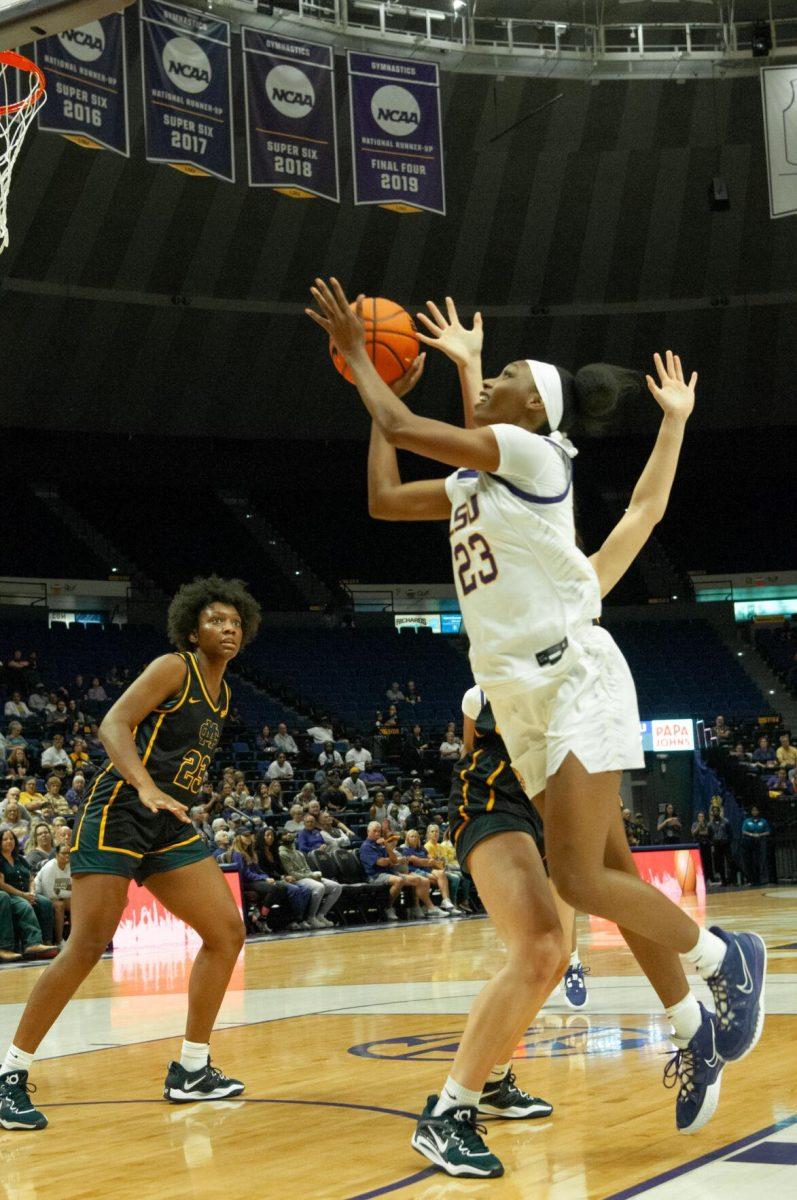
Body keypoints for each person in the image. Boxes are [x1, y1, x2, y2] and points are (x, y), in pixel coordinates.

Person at [307, 281, 765, 1172]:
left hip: (571, 684)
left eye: (509, 372)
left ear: (536, 410)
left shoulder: (536, 455)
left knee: (580, 881)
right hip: (521, 699)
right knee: (603, 873)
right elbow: (385, 494)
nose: (492, 379)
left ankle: (722, 959)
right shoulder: (497, 497)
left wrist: (367, 362)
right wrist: (397, 383)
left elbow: (628, 507)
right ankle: (696, 1022)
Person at [0, 576, 261, 1130]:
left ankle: (191, 1068)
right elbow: (114, 723)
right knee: (88, 942)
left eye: (235, 622)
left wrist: (178, 796)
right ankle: (10, 1073)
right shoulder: (175, 667)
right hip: (118, 809)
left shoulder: (226, 690)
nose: (228, 628)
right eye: (216, 620)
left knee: (226, 932)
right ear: (193, 630)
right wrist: (144, 784)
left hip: (167, 823)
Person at [358, 820, 444, 921]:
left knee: (418, 880)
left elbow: (393, 860)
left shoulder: (381, 845)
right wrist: (391, 861)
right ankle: (388, 907)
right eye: (374, 831)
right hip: (375, 875)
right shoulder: (366, 846)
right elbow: (381, 862)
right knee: (399, 880)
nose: (377, 833)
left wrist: (387, 846)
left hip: (390, 872)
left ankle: (418, 907)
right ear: (368, 832)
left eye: (379, 831)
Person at [0, 830, 57, 949]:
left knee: (46, 903)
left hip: (27, 893)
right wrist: (23, 895)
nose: (9, 841)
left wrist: (31, 892)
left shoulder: (20, 858)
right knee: (25, 906)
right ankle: (32, 943)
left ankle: (47, 941)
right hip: (11, 894)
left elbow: (31, 878)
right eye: (5, 839)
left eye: (11, 839)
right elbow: (2, 884)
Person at [277, 830, 342, 928]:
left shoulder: (298, 852)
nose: (289, 835)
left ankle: (320, 915)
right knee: (319, 887)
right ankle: (311, 917)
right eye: (285, 834)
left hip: (307, 876)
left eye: (289, 833)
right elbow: (292, 873)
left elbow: (307, 869)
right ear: (280, 840)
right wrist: (311, 876)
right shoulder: (282, 853)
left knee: (336, 887)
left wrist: (314, 875)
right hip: (297, 880)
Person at [254, 828, 312, 929]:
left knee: (306, 890)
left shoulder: (274, 850)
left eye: (272, 835)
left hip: (281, 878)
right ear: (261, 837)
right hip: (269, 880)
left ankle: (301, 918)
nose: (270, 837)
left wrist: (286, 876)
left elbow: (280, 867)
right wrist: (281, 877)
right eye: (267, 835)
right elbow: (264, 871)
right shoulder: (258, 853)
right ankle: (294, 920)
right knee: (295, 890)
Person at [399, 829, 461, 914]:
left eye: (416, 836)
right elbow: (417, 861)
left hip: (426, 869)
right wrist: (427, 862)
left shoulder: (422, 848)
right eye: (412, 836)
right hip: (414, 871)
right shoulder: (404, 848)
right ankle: (429, 907)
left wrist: (426, 862)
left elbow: (431, 860)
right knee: (440, 880)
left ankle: (446, 901)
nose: (414, 838)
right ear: (407, 838)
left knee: (441, 873)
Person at [426, 823, 476, 913]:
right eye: (432, 831)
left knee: (465, 877)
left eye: (437, 831)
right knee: (455, 878)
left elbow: (444, 862)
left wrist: (441, 864)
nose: (435, 833)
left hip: (443, 869)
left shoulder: (440, 847)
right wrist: (440, 864)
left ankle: (461, 902)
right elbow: (432, 863)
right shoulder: (427, 846)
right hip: (434, 871)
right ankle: (452, 903)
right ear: (428, 834)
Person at [34, 845, 72, 945]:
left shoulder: (70, 866)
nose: (67, 855)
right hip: (40, 895)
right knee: (59, 906)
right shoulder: (50, 867)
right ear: (56, 855)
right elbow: (49, 893)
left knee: (76, 904)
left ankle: (74, 939)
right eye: (64, 853)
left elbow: (73, 889)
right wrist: (65, 891)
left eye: (69, 853)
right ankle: (59, 941)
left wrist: (61, 891)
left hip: (59, 895)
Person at [741, 807, 771, 887]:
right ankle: (751, 880)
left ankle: (761, 879)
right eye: (753, 810)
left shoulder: (763, 821)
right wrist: (752, 835)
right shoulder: (747, 821)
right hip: (749, 843)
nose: (755, 812)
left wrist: (760, 835)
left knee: (760, 861)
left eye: (756, 810)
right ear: (751, 812)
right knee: (750, 862)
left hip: (760, 843)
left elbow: (768, 832)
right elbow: (743, 831)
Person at [708, 804, 733, 886]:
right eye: (714, 811)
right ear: (712, 813)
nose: (715, 812)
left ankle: (730, 880)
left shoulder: (726, 821)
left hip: (725, 844)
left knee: (729, 862)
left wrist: (728, 841)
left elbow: (730, 833)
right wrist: (713, 842)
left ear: (719, 812)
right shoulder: (710, 824)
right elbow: (709, 835)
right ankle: (723, 881)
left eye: (717, 811)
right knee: (719, 863)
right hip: (717, 845)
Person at [691, 812, 712, 884]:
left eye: (702, 816)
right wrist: (699, 827)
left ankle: (708, 878)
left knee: (707, 862)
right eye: (699, 816)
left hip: (706, 844)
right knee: (699, 862)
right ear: (697, 818)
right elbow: (693, 833)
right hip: (698, 845)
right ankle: (700, 878)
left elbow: (708, 833)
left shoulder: (707, 824)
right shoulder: (695, 824)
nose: (701, 818)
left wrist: (700, 832)